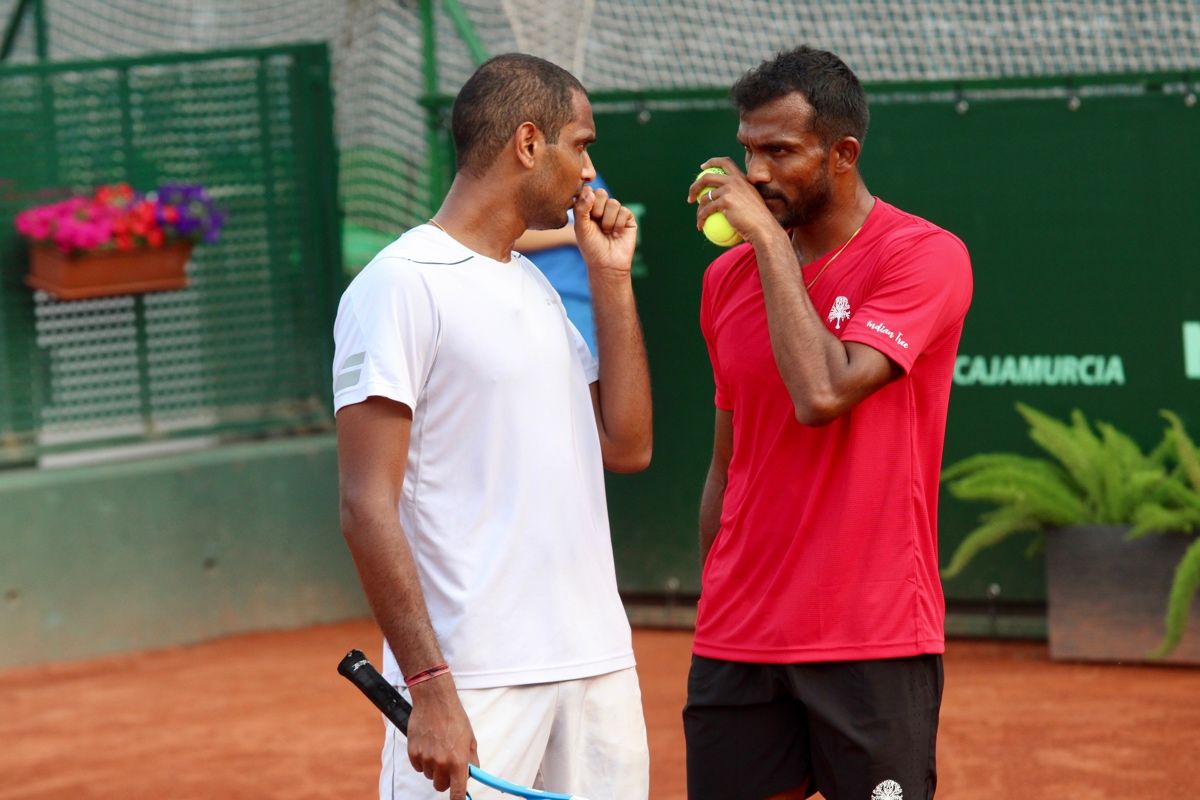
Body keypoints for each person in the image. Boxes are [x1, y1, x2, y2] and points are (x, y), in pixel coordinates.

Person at [332, 53, 652, 800]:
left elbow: (628, 445)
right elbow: (364, 505)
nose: (591, 173)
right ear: (529, 143)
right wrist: (432, 687)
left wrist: (609, 279)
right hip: (476, 681)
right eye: (583, 144)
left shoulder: (535, 284)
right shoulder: (399, 284)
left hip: (597, 667)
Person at [684, 45, 973, 800]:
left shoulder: (926, 257)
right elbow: (730, 458)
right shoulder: (725, 280)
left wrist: (770, 246)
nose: (754, 175)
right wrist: (713, 593)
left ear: (843, 153)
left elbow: (822, 392)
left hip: (871, 637)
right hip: (739, 640)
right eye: (747, 150)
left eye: (779, 151)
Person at [515, 173, 611, 356]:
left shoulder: (592, 181)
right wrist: (572, 235)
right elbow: (504, 234)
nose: (587, 166)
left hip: (584, 302)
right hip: (535, 299)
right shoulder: (522, 177)